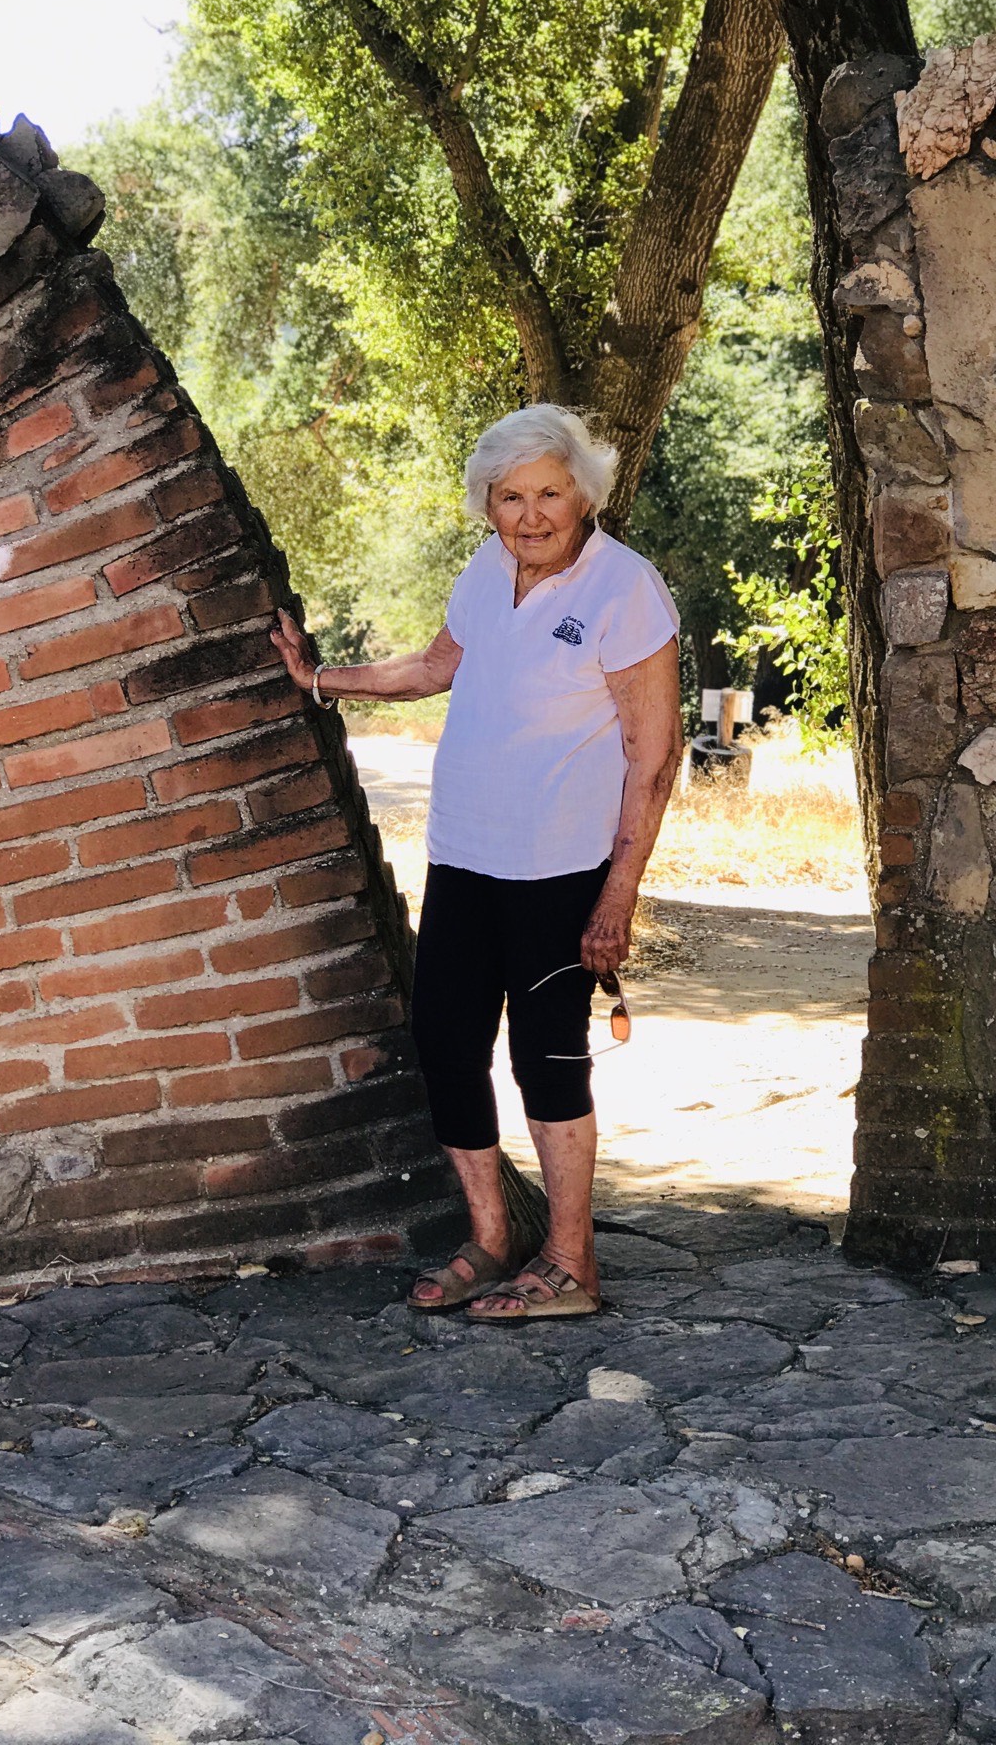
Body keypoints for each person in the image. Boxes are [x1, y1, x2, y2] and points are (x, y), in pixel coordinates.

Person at [270, 404, 683, 1321]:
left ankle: (573, 1262)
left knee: (547, 1062)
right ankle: (494, 1239)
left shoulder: (627, 591)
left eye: (548, 492)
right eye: (510, 497)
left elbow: (653, 759)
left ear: (584, 493)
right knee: (449, 1051)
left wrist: (618, 900)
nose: (530, 515)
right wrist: (320, 680)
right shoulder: (487, 571)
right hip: (466, 858)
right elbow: (434, 666)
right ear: (486, 506)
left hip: (562, 870)